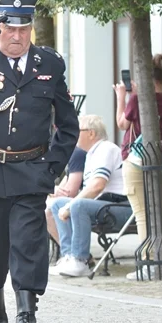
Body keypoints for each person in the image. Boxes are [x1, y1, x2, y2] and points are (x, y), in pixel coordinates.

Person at [0, 0, 79, 323]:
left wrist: (53, 168)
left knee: (29, 244)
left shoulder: (49, 64)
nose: (17, 35)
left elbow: (68, 126)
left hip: (30, 169)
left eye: (24, 28)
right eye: (10, 28)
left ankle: (26, 316)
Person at [114, 53, 162, 280]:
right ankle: (158, 259)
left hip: (135, 158)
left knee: (141, 214)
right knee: (155, 211)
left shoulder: (137, 100)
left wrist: (122, 96)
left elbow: (123, 124)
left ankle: (148, 264)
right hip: (157, 156)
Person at [48, 115, 129, 278]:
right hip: (105, 206)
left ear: (91, 134)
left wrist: (70, 206)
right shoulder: (92, 154)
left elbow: (97, 186)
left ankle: (80, 260)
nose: (74, 134)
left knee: (78, 205)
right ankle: (69, 256)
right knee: (57, 204)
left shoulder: (106, 149)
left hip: (119, 206)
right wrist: (65, 205)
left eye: (78, 131)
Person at [46, 147, 86, 246]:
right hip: (86, 200)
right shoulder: (75, 152)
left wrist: (51, 191)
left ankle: (71, 252)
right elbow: (63, 188)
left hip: (92, 201)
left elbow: (68, 192)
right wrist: (52, 190)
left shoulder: (78, 152)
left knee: (48, 211)